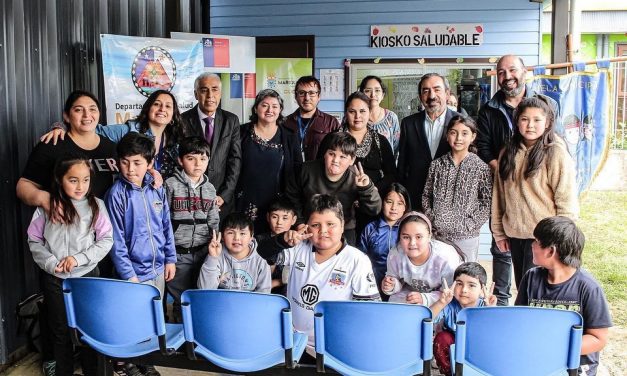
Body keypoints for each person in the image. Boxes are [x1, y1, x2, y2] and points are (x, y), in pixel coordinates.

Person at [257, 194, 380, 354]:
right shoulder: (297, 248)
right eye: (315, 225)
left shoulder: (357, 260)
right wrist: (283, 240)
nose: (323, 231)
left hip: (334, 346)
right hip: (293, 341)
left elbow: (367, 310)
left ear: (342, 225)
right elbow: (262, 252)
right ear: (306, 226)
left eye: (331, 224)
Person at [27, 156, 113, 376]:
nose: (80, 186)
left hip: (86, 276)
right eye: (73, 180)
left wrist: (79, 259)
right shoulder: (47, 207)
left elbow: (106, 240)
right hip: (55, 279)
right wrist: (51, 263)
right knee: (60, 331)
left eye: (85, 180)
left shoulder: (96, 206)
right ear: (59, 179)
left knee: (88, 328)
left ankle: (92, 371)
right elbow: (34, 240)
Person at [476, 55, 545, 305]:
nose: (508, 77)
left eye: (512, 70)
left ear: (524, 71)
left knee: (535, 268)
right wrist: (503, 169)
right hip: (503, 189)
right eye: (502, 72)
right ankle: (502, 305)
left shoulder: (544, 104)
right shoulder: (488, 110)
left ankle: (531, 310)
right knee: (502, 251)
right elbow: (483, 146)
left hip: (537, 200)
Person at [492, 96, 578, 289]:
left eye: (537, 120)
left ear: (547, 123)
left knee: (539, 291)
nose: (530, 125)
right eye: (524, 119)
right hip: (515, 235)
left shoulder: (555, 152)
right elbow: (499, 196)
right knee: (523, 286)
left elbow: (566, 200)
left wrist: (559, 238)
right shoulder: (507, 152)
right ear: (517, 122)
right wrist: (499, 232)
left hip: (544, 238)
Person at [516, 216, 611, 376]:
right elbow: (520, 319)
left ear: (551, 251)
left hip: (576, 366)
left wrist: (554, 346)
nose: (532, 245)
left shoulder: (588, 288)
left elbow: (598, 339)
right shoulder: (531, 277)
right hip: (538, 359)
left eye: (537, 241)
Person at [41, 89, 185, 179]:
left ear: (173, 115)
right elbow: (90, 127)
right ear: (148, 108)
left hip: (164, 200)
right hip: (130, 199)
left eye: (168, 106)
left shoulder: (175, 140)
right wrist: (60, 127)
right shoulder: (127, 130)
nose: (162, 109)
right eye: (157, 104)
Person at [105, 132, 176, 294]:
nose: (130, 169)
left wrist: (170, 259)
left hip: (159, 269)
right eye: (125, 162)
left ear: (150, 163)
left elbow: (166, 225)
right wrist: (129, 275)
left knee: (158, 314)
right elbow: (116, 240)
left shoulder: (157, 188)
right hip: (134, 275)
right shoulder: (116, 194)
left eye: (137, 163)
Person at [285, 132, 381, 245]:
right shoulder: (306, 170)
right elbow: (292, 197)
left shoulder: (356, 177)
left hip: (343, 229)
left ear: (352, 160)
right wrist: (300, 222)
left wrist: (366, 188)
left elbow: (374, 209)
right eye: (331, 154)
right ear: (325, 154)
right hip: (310, 227)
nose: (335, 160)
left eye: (342, 157)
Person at [164, 136, 220, 322]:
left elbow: (214, 220)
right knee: (181, 299)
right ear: (180, 160)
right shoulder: (170, 185)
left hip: (203, 252)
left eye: (203, 159)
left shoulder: (210, 188)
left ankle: (197, 339)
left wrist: (214, 247)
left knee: (200, 297)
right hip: (178, 254)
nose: (198, 164)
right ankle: (182, 342)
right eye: (191, 158)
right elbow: (163, 220)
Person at [422, 115, 492, 262]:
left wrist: (470, 224)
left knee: (465, 274)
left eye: (465, 133)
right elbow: (426, 195)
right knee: (438, 275)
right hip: (438, 234)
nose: (459, 138)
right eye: (454, 132)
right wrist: (432, 218)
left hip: (466, 236)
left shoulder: (481, 167)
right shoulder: (437, 165)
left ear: (473, 136)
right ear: (447, 135)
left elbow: (486, 202)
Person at [236, 89, 302, 234]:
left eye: (274, 106)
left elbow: (297, 171)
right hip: (245, 201)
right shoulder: (241, 133)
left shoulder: (290, 136)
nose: (269, 110)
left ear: (280, 110)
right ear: (256, 108)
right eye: (264, 105)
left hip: (278, 206)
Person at [181, 72, 242, 215]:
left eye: (215, 89)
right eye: (204, 90)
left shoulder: (231, 120)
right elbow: (180, 161)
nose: (210, 95)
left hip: (221, 199)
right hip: (190, 199)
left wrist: (224, 195)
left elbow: (235, 160)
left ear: (220, 93)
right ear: (196, 94)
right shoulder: (182, 120)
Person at [397, 73, 459, 209]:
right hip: (415, 198)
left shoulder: (461, 122)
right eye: (426, 91)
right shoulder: (408, 123)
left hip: (450, 202)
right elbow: (403, 164)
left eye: (437, 90)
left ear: (447, 94)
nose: (431, 96)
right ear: (420, 97)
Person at [430, 262, 496, 375]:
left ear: (482, 290)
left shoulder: (485, 306)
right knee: (442, 338)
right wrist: (441, 302)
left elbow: (496, 333)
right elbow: (427, 319)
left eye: (471, 285)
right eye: (459, 284)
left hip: (478, 348)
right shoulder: (449, 305)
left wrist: (490, 310)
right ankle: (451, 373)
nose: (464, 289)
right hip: (455, 346)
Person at [382, 212, 462, 305]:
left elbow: (451, 292)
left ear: (429, 237)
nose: (412, 243)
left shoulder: (445, 257)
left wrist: (425, 298)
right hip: (410, 292)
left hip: (440, 296)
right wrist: (391, 285)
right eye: (406, 237)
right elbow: (394, 279)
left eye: (418, 237)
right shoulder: (395, 254)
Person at [359, 182, 411, 296]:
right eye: (389, 202)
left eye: (400, 203)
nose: (394, 208)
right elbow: (361, 259)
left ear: (405, 207)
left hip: (402, 284)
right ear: (381, 203)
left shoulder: (409, 230)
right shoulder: (370, 229)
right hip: (373, 283)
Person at [197, 213, 271, 292]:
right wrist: (212, 258)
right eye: (230, 233)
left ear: (251, 237)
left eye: (242, 233)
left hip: (248, 304)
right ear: (222, 236)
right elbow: (205, 291)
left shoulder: (261, 264)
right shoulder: (216, 256)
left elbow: (264, 297)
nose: (237, 238)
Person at [284, 75, 341, 161]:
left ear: (319, 96)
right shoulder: (285, 122)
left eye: (311, 93)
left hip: (319, 173)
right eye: (302, 93)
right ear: (296, 96)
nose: (307, 98)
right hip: (291, 172)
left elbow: (339, 151)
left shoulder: (331, 122)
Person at [256, 198, 298, 293]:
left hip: (286, 291)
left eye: (285, 218)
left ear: (293, 220)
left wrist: (276, 282)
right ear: (268, 217)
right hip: (258, 287)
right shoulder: (258, 240)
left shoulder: (297, 242)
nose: (279, 222)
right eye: (274, 217)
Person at [358, 75, 401, 157]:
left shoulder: (391, 117)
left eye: (377, 90)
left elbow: (396, 147)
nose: (373, 95)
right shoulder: (355, 116)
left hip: (386, 167)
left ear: (383, 95)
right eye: (367, 91)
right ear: (361, 94)